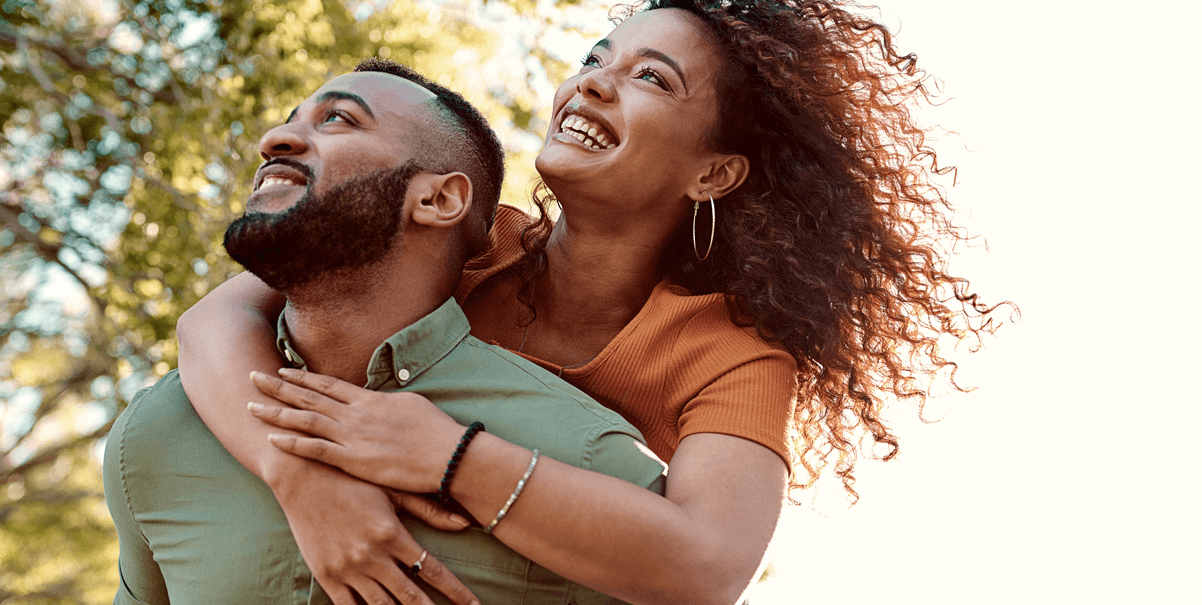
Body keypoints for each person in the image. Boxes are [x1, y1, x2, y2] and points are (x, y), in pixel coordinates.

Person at [175, 1, 1012, 604]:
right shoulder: (470, 238)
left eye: (649, 77)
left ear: (713, 173)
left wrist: (448, 454)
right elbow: (216, 318)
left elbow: (709, 565)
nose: (591, 86)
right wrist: (301, 479)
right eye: (594, 59)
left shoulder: (731, 353)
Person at [102, 60, 668, 605]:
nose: (275, 137)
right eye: (291, 118)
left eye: (338, 119)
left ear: (438, 199)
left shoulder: (591, 461)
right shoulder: (158, 432)